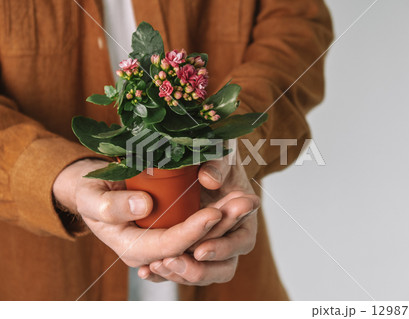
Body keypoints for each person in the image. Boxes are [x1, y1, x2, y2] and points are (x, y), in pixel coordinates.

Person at [0, 0, 333, 300]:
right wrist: (65, 178)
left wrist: (231, 141)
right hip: (42, 278)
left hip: (229, 281)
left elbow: (297, 22)